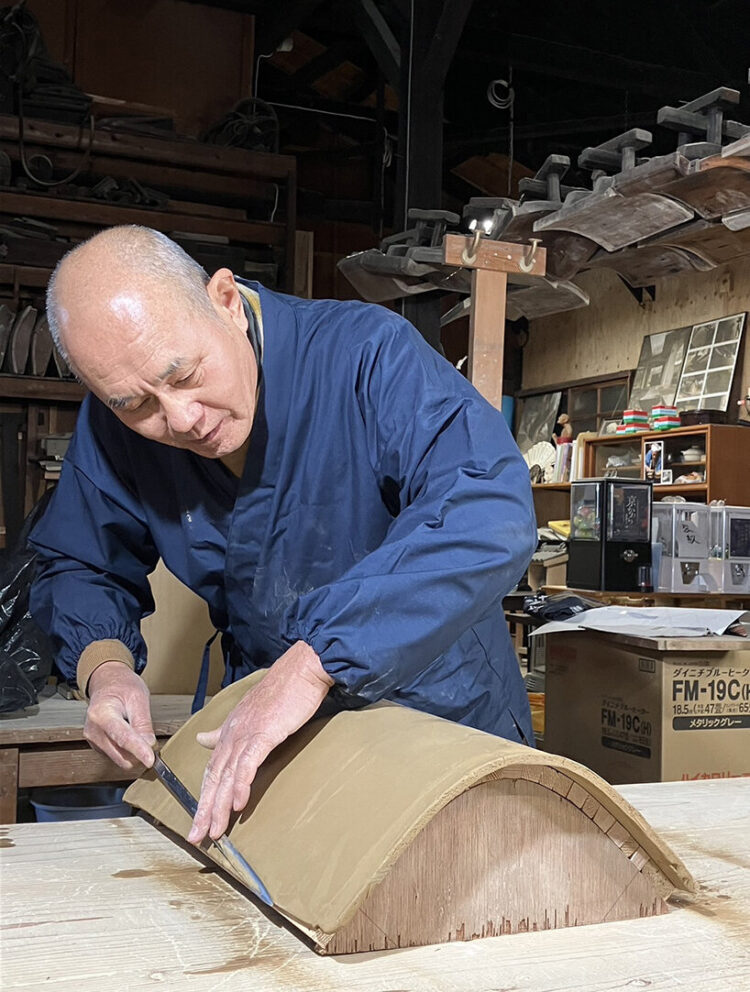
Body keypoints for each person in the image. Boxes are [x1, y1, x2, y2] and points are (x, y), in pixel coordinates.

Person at [29, 225, 537, 846]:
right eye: (138, 405)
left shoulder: (365, 356)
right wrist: (105, 670)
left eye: (186, 375)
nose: (181, 419)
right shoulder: (121, 414)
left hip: (440, 712)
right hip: (272, 735)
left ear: (224, 301)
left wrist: (315, 662)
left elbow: (487, 508)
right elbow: (79, 560)